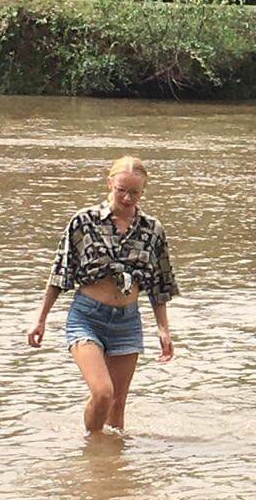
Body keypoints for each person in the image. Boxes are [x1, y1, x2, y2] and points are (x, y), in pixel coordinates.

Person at [27, 156, 177, 434]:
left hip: (127, 322)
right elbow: (60, 272)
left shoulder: (152, 229)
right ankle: (92, 447)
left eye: (135, 192)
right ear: (109, 183)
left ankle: (109, 468)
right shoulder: (84, 222)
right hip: (87, 316)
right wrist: (40, 319)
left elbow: (160, 283)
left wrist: (163, 329)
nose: (128, 197)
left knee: (118, 403)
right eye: (122, 189)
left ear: (144, 191)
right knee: (103, 393)